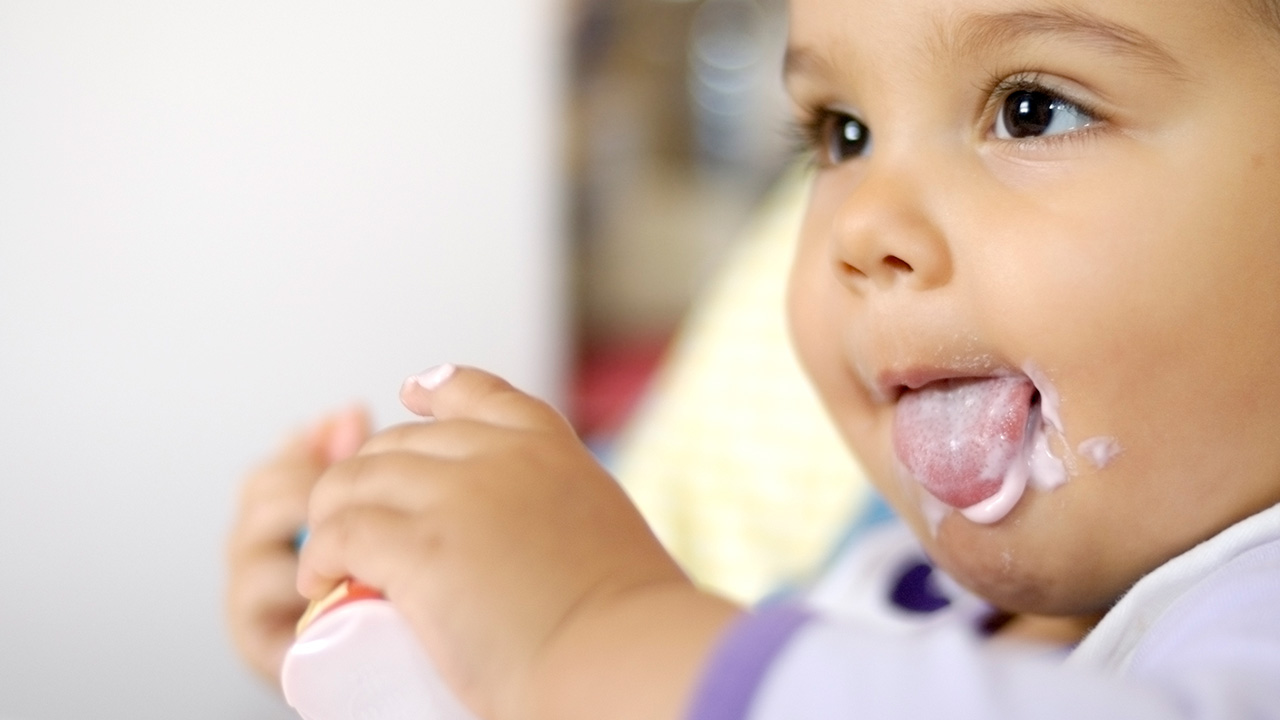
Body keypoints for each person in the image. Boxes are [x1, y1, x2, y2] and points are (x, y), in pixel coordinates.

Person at [225, 0, 1280, 717]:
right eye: (841, 134)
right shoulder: (872, 579)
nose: (860, 224)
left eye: (1030, 111)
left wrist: (595, 631)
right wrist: (431, 645)